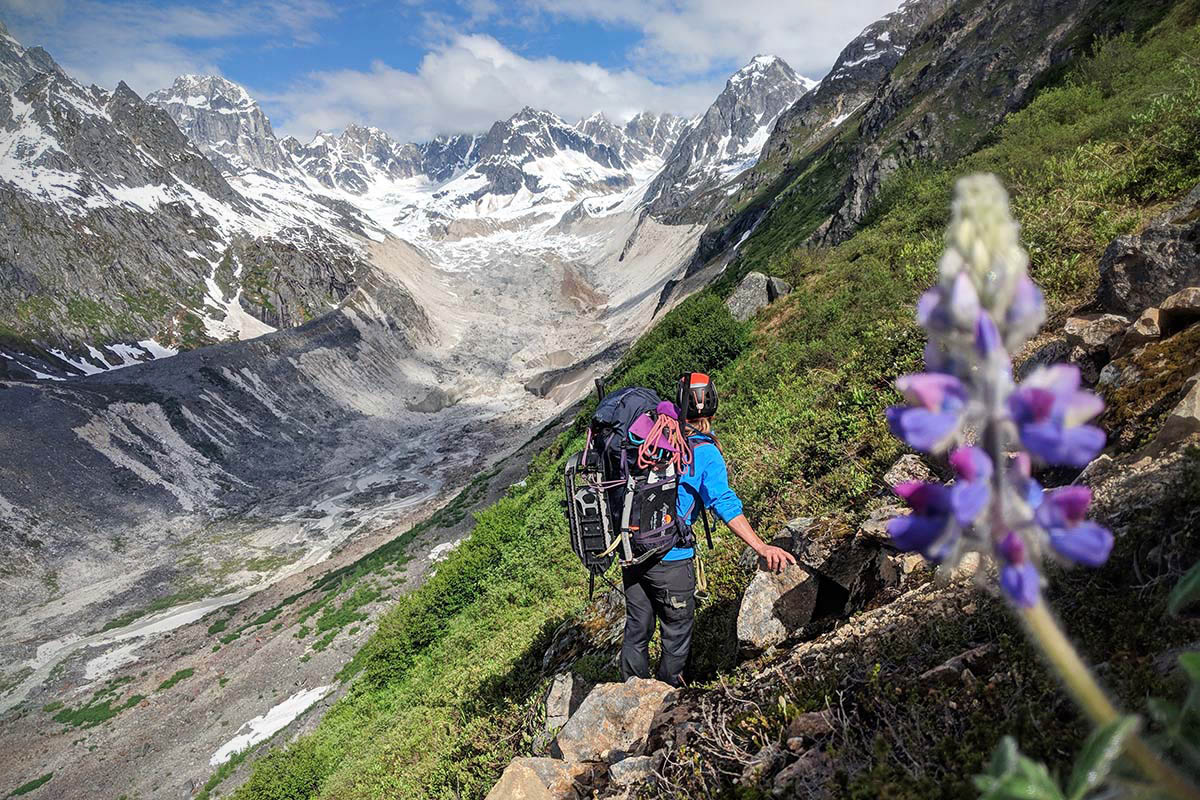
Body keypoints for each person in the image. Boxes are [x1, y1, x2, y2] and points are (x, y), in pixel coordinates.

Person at [619, 372, 797, 687]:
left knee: (637, 628)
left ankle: (630, 692)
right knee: (676, 631)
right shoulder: (704, 451)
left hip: (633, 550)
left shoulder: (655, 439)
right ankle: (665, 697)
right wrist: (761, 546)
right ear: (712, 404)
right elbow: (724, 503)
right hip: (671, 559)